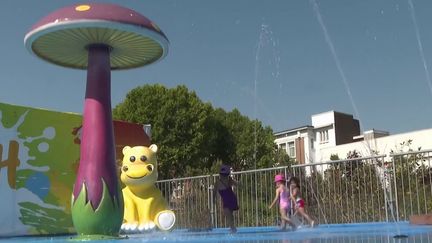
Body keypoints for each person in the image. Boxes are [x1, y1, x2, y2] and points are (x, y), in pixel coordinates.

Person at [213, 164, 239, 233]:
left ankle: (233, 228)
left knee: (228, 213)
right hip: (226, 200)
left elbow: (237, 184)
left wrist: (237, 183)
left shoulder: (229, 180)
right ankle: (233, 228)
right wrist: (213, 200)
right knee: (228, 214)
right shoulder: (217, 183)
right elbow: (214, 192)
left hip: (231, 199)